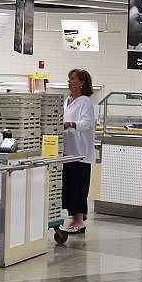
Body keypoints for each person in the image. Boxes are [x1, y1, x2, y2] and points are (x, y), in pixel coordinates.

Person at [60, 68, 96, 234]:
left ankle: (80, 220)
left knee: (79, 187)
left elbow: (86, 123)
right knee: (68, 186)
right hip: (67, 151)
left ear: (82, 82)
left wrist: (71, 124)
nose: (69, 81)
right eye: (69, 78)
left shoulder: (85, 101)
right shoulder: (67, 100)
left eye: (73, 78)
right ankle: (73, 217)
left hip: (81, 153)